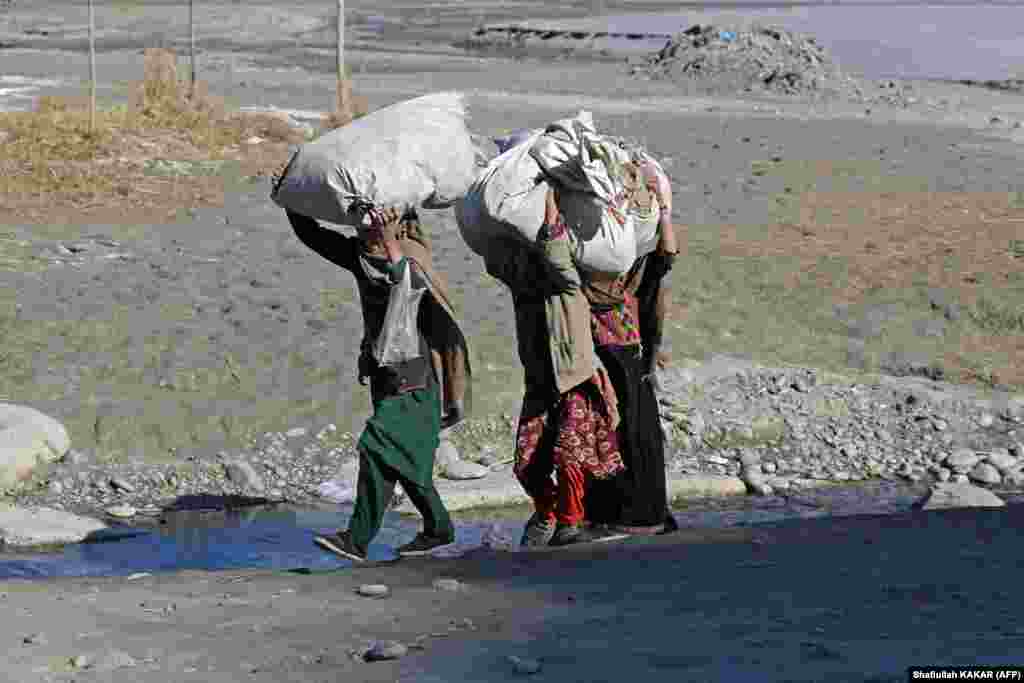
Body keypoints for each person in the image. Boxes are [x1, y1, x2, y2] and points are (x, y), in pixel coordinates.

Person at [286, 205, 472, 562]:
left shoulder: (411, 256)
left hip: (414, 380)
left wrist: (390, 242)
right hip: (385, 376)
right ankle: (438, 529)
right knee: (405, 460)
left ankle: (356, 539)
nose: (366, 228)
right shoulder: (360, 257)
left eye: (376, 222)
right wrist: (291, 201)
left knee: (378, 447)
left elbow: (408, 286)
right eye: (362, 222)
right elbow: (312, 236)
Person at [488, 187, 628, 549]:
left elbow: (555, 250)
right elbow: (496, 262)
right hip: (539, 384)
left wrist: (550, 204)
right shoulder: (523, 289)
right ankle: (547, 511)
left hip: (575, 380)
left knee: (570, 454)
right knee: (526, 463)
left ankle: (570, 522)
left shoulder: (568, 284)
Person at [582, 160, 680, 535]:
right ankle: (623, 513)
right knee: (618, 436)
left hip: (622, 363)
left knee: (629, 437)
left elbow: (665, 256)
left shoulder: (626, 276)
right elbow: (666, 256)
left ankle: (634, 514)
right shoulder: (588, 278)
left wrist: (664, 209)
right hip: (611, 363)